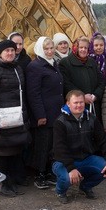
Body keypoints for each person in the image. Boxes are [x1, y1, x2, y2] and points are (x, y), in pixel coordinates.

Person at [51, 90, 106, 203]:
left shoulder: (91, 118)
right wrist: (71, 169)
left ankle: (85, 187)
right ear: (68, 103)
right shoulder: (60, 122)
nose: (79, 105)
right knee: (66, 179)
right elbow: (59, 148)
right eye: (75, 102)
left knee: (104, 167)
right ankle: (60, 191)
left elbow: (104, 141)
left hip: (86, 158)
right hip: (63, 161)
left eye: (81, 102)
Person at [0, 40, 30, 197]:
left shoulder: (17, 68)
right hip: (2, 117)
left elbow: (22, 94)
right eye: (6, 51)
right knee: (2, 152)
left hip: (16, 116)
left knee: (14, 149)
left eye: (12, 50)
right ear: (0, 53)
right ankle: (2, 184)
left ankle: (12, 180)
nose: (10, 53)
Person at [26, 36, 64, 189]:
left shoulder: (53, 63)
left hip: (55, 111)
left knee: (51, 145)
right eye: (46, 48)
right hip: (44, 113)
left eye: (51, 48)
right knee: (42, 145)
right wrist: (40, 115)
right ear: (40, 49)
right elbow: (33, 93)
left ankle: (49, 172)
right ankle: (39, 174)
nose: (49, 51)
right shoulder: (35, 66)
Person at [59, 36, 105, 119]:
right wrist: (82, 96)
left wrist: (95, 95)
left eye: (86, 48)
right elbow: (66, 84)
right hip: (76, 106)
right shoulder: (65, 63)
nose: (83, 50)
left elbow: (101, 81)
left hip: (93, 105)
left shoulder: (92, 62)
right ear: (76, 47)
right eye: (81, 47)